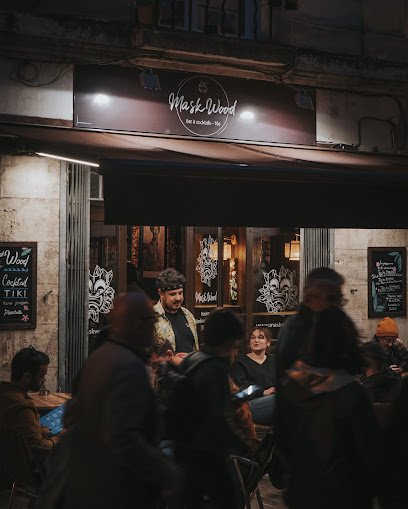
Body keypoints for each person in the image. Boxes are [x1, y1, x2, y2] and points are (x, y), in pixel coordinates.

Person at [62, 292, 181, 509]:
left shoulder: (99, 357)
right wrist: (165, 472)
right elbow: (124, 437)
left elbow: (72, 415)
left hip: (90, 483)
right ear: (136, 325)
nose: (153, 327)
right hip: (116, 489)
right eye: (150, 320)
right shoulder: (127, 366)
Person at [278, 306, 379, 509]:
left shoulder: (291, 386)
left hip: (303, 493)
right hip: (345, 496)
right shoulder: (352, 393)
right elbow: (370, 453)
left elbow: (283, 444)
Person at [174, 308, 257, 509]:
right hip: (207, 453)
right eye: (235, 344)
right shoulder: (215, 368)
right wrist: (247, 444)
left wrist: (235, 399)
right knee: (232, 500)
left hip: (184, 449)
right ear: (228, 341)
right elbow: (219, 419)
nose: (235, 351)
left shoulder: (193, 358)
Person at [276, 267, 345, 382]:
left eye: (339, 299)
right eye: (332, 298)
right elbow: (288, 373)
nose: (337, 305)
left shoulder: (336, 323)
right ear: (314, 296)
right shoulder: (295, 327)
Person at [0, 346, 58, 451]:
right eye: (41, 376)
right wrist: (59, 438)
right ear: (27, 377)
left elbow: (21, 431)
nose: (44, 380)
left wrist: (42, 431)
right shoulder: (22, 406)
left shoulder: (4, 391)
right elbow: (39, 448)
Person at [231, 327, 276, 425]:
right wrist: (263, 392)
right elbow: (240, 391)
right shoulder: (240, 362)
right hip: (250, 404)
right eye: (253, 338)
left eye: (260, 337)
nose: (256, 340)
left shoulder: (274, 361)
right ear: (249, 343)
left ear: (268, 343)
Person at [154, 268, 199, 354]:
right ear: (161, 293)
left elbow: (195, 348)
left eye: (180, 293)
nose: (178, 298)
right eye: (172, 294)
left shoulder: (188, 315)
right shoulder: (153, 317)